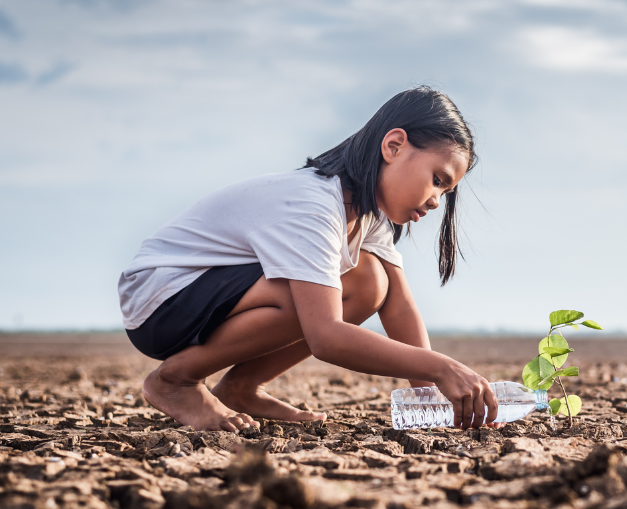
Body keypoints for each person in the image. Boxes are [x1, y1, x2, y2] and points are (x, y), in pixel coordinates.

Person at [117, 87, 498, 433]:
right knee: (313, 291)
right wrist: (442, 368)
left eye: (445, 192)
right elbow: (326, 336)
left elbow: (399, 308)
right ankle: (176, 380)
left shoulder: (367, 215)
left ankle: (240, 387)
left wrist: (430, 399)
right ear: (394, 146)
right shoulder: (314, 204)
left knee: (369, 282)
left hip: (203, 296)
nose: (436, 200)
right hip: (162, 298)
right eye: (437, 179)